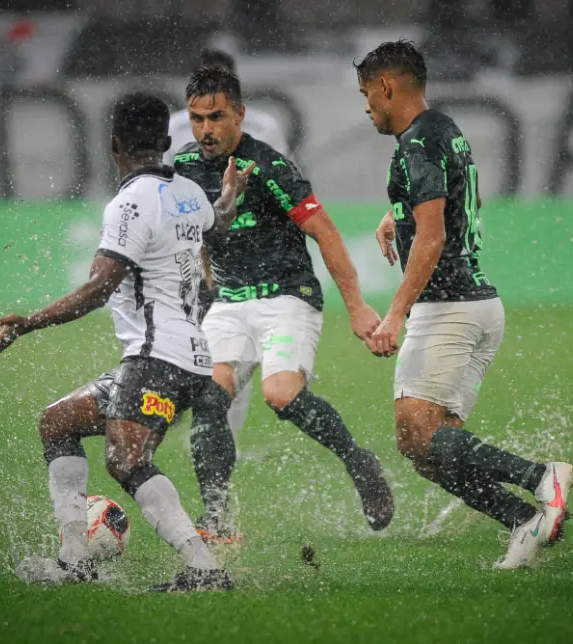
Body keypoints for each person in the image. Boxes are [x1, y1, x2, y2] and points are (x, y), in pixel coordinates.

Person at [0, 92, 254, 591]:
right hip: (182, 357)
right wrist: (230, 195)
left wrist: (29, 323)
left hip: (158, 357)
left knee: (126, 460)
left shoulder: (130, 201)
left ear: (113, 144)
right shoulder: (188, 191)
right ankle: (75, 558)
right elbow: (220, 220)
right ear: (168, 143)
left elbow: (100, 287)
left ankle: (204, 569)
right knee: (57, 422)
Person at [354, 40, 573, 569]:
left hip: (447, 308)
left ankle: (542, 479)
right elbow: (458, 200)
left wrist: (395, 313)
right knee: (427, 449)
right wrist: (398, 214)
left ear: (387, 85)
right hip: (475, 306)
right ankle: (522, 522)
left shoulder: (415, 145)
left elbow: (431, 237)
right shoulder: (443, 128)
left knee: (420, 436)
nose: (367, 107)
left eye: (367, 94)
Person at [173, 66, 395, 540]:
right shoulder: (187, 167)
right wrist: (206, 284)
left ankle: (359, 461)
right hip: (229, 302)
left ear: (239, 114)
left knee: (281, 396)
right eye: (196, 119)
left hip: (287, 297)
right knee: (208, 399)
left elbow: (324, 231)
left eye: (215, 117)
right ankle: (216, 515)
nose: (205, 130)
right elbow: (197, 235)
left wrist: (356, 306)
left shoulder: (269, 166)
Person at [165, 49, 292, 452]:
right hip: (189, 258)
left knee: (236, 355)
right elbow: (164, 191)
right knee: (182, 350)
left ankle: (223, 444)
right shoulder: (175, 127)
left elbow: (286, 183)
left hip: (247, 259)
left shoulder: (265, 127)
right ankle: (168, 416)